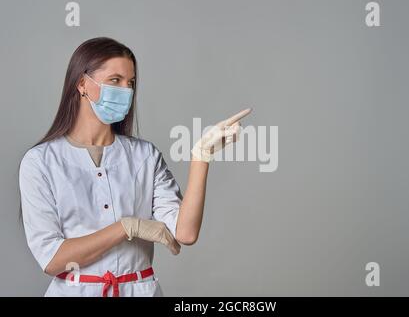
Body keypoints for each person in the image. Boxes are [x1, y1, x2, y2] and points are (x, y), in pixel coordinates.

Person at [18, 37, 251, 297]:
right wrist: (127, 227)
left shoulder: (145, 156)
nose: (125, 91)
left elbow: (185, 233)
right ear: (83, 84)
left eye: (130, 83)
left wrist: (201, 157)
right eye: (115, 80)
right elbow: (52, 259)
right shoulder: (40, 162)